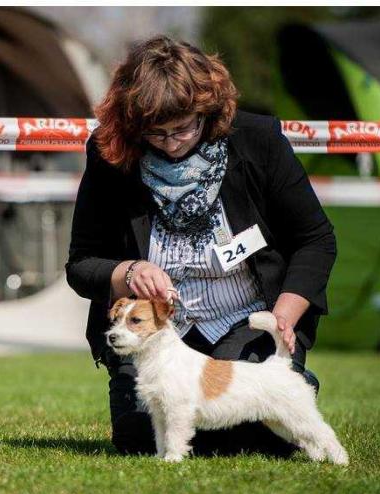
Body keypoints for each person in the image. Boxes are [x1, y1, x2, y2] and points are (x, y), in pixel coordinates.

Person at [65, 36, 337, 457]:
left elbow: (315, 239)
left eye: (184, 127)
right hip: (154, 333)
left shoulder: (258, 140)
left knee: (241, 435)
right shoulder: (111, 152)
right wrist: (131, 272)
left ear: (209, 109)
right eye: (155, 132)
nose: (171, 142)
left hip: (242, 322)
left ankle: (288, 383)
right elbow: (82, 262)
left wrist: (285, 313)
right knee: (142, 437)